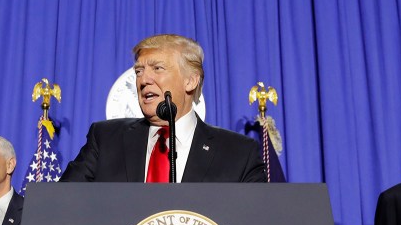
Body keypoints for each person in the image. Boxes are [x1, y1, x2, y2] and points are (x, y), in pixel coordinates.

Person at [60, 34, 267, 182]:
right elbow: (61, 204)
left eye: (157, 68)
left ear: (190, 81)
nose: (143, 79)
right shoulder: (105, 139)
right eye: (139, 70)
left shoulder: (238, 153)